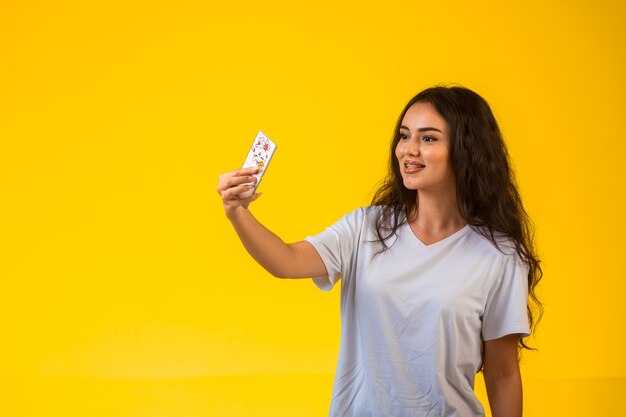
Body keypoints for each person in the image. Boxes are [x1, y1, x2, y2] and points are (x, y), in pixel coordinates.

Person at [217, 85, 542, 417]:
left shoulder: (499, 256)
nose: (408, 150)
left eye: (428, 139)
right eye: (405, 136)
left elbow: (502, 374)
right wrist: (237, 212)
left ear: (466, 150)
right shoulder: (364, 229)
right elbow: (285, 260)